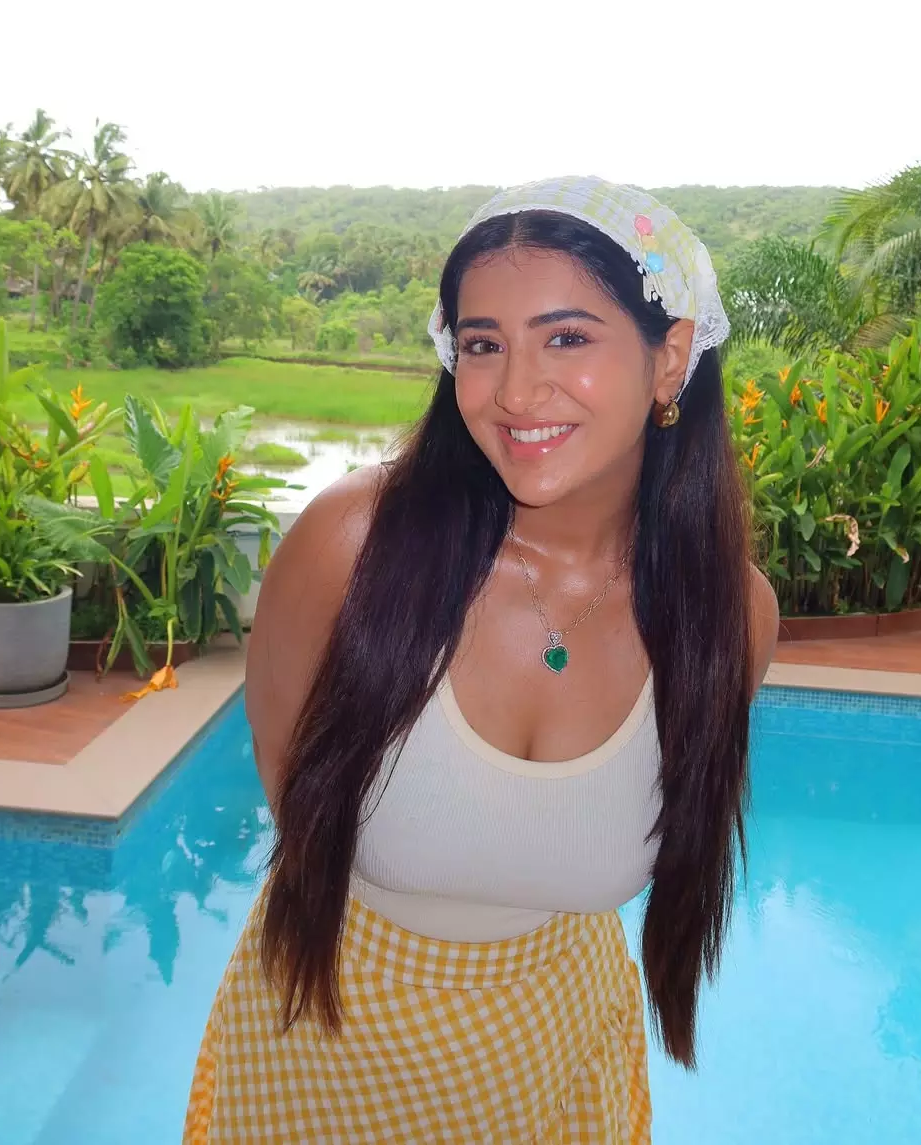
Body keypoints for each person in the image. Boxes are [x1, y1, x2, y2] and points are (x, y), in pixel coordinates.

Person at [184, 175, 779, 1143]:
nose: (514, 391)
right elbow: (286, 773)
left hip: (555, 1052)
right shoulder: (350, 547)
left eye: (567, 337)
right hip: (322, 1032)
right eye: (483, 344)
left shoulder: (728, 615)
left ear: (670, 358)